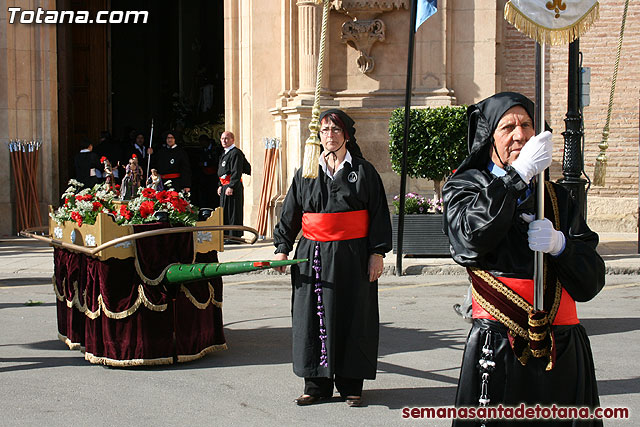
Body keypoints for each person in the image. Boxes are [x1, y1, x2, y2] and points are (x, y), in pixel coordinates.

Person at [442, 92, 605, 426]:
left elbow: (591, 282)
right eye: (508, 127)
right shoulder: (466, 186)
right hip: (501, 341)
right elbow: (469, 240)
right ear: (489, 138)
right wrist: (516, 178)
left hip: (563, 347)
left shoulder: (557, 197)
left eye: (527, 124)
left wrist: (562, 246)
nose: (520, 135)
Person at [273, 109, 392, 407]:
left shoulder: (364, 172)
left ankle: (351, 385)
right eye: (324, 130)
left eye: (335, 130)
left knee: (354, 317)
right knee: (312, 318)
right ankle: (316, 385)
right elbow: (291, 213)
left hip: (354, 256)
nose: (329, 135)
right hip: (312, 255)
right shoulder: (306, 172)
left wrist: (376, 253)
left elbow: (379, 214)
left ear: (347, 135)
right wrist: (282, 247)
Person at [217, 131, 246, 239]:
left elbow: (236, 171)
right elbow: (222, 171)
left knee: (233, 212)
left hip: (232, 187)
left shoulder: (236, 153)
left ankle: (234, 236)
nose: (224, 141)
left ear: (232, 140)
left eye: (227, 138)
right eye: (222, 138)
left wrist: (232, 186)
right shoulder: (225, 153)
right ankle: (226, 235)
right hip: (224, 186)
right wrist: (220, 185)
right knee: (225, 212)